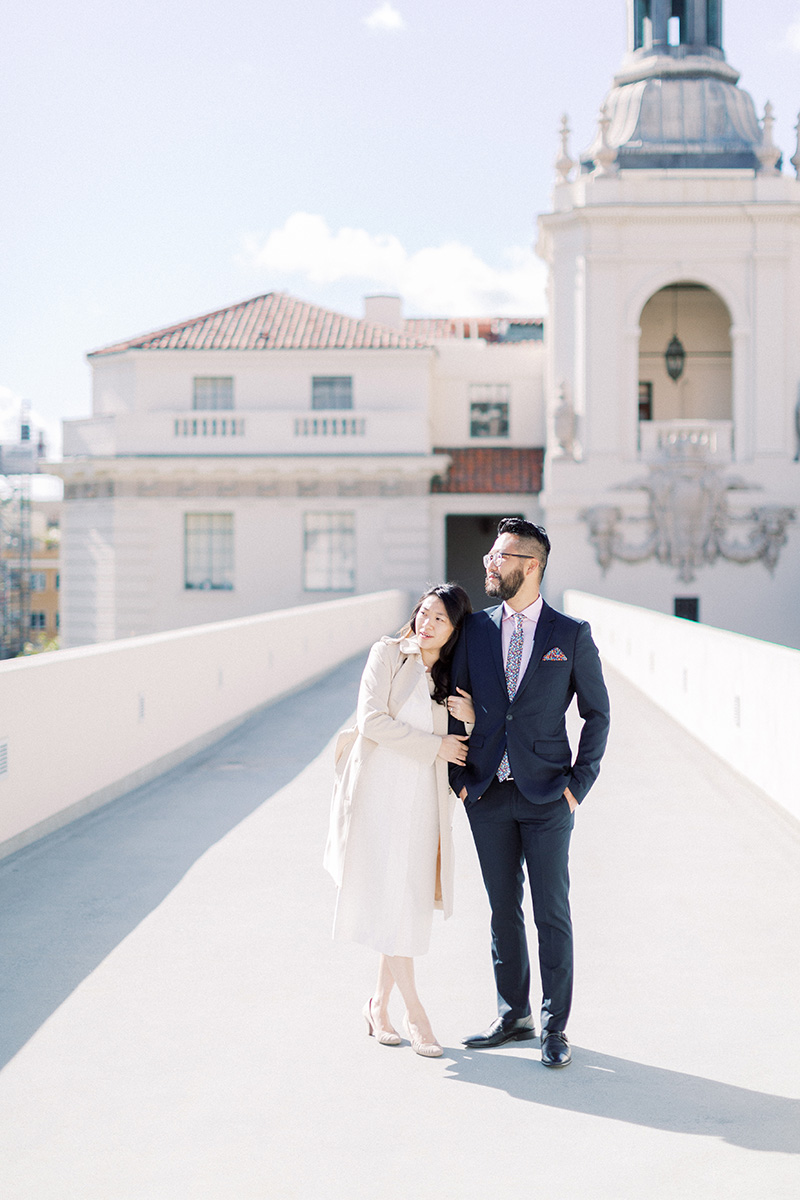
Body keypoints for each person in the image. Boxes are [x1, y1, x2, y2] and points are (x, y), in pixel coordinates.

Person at [447, 518, 610, 1068]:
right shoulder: (473, 630)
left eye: (501, 556)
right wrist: (461, 782)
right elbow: (447, 699)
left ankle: (553, 1025)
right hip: (487, 792)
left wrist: (577, 788)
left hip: (547, 797)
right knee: (501, 910)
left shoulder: (570, 635)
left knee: (551, 913)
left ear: (531, 565)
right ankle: (512, 1013)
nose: (489, 563)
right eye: (491, 555)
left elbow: (597, 715)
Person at [324, 584, 473, 1057]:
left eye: (439, 620)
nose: (426, 624)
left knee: (404, 900)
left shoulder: (449, 676)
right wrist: (435, 746)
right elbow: (371, 720)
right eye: (423, 613)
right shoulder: (388, 654)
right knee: (389, 898)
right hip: (377, 793)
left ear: (452, 632)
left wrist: (467, 719)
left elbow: (462, 738)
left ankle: (376, 1004)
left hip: (423, 800)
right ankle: (416, 1014)